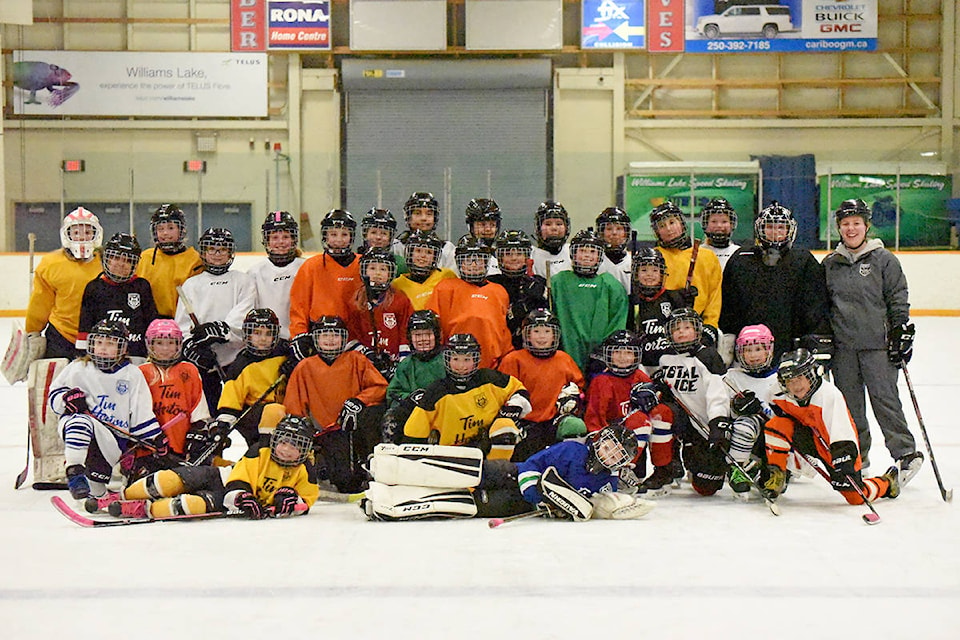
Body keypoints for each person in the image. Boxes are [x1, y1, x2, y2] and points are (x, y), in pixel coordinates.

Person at [361, 423, 654, 522]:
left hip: (519, 504)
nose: (609, 455)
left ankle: (387, 504)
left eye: (618, 454)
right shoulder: (573, 451)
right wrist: (534, 492)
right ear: (600, 441)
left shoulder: (609, 482)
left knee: (466, 505)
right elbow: (532, 465)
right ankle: (390, 466)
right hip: (513, 475)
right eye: (609, 446)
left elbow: (591, 506)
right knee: (466, 470)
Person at [823, 198, 922, 479]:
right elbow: (824, 304)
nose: (851, 229)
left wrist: (900, 330)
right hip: (843, 349)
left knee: (886, 401)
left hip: (877, 347)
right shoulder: (831, 263)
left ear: (866, 226)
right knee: (850, 408)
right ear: (839, 228)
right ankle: (858, 457)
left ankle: (905, 453)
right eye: (845, 224)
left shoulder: (884, 260)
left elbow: (897, 297)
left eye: (856, 223)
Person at [106, 414, 319, 520]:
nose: (286, 450)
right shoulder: (259, 451)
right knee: (168, 480)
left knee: (189, 506)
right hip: (220, 478)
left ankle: (141, 510)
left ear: (306, 449)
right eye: (283, 441)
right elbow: (239, 480)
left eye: (295, 445)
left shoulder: (306, 471)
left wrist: (292, 501)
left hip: (224, 502)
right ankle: (120, 497)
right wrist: (241, 496)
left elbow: (306, 502)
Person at [761, 349, 900, 505]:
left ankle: (887, 483)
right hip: (807, 436)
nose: (795, 385)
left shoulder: (829, 395)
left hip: (832, 446)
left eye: (800, 378)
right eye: (790, 381)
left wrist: (844, 460)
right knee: (776, 425)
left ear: (811, 375)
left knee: (855, 497)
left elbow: (842, 433)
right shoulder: (777, 393)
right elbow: (773, 413)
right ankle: (776, 476)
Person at [48, 319, 162, 500]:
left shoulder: (132, 373)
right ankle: (74, 472)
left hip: (112, 439)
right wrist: (66, 399)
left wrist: (154, 438)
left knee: (95, 492)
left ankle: (99, 495)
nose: (102, 348)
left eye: (110, 343)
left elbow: (141, 411)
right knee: (79, 421)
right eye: (99, 342)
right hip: (78, 428)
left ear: (123, 348)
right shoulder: (78, 368)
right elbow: (54, 395)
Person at [283, 316, 387, 493]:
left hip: (355, 430)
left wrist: (359, 401)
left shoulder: (356, 359)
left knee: (374, 418)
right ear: (316, 338)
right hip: (325, 434)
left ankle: (373, 466)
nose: (330, 340)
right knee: (345, 482)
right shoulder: (305, 367)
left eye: (335, 335)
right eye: (325, 335)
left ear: (344, 338)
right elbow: (294, 407)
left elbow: (379, 387)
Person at [720, 201, 832, 362]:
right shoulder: (741, 259)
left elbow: (815, 305)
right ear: (760, 228)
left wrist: (814, 341)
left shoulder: (803, 260)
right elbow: (729, 304)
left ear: (790, 229)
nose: (775, 232)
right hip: (749, 347)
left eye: (781, 227)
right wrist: (729, 339)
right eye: (770, 227)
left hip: (791, 345)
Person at [402, 333, 531, 461]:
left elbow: (519, 390)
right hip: (449, 458)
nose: (461, 366)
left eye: (467, 359)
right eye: (456, 359)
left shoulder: (490, 379)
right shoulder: (436, 391)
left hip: (487, 457)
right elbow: (414, 432)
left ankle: (496, 471)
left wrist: (514, 406)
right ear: (447, 359)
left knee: (506, 426)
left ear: (475, 360)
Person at [176, 227, 257, 414]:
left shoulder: (243, 280)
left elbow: (245, 311)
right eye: (212, 249)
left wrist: (222, 330)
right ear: (203, 252)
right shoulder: (192, 284)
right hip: (206, 361)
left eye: (223, 249)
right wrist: (191, 348)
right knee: (209, 412)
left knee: (241, 414)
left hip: (236, 358)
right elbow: (182, 324)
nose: (217, 254)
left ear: (230, 252)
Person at [583, 330, 675, 494]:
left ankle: (662, 469)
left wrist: (657, 392)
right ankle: (621, 471)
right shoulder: (602, 381)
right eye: (617, 352)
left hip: (634, 438)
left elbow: (654, 408)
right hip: (609, 442)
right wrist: (600, 446)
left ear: (637, 355)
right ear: (608, 355)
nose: (623, 357)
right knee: (640, 419)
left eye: (628, 352)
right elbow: (594, 419)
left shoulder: (640, 376)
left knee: (662, 412)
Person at [653, 307, 729, 496]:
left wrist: (718, 421)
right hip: (683, 421)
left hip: (706, 425)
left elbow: (717, 392)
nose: (681, 332)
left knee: (705, 488)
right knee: (661, 413)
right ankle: (665, 467)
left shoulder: (708, 356)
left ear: (697, 331)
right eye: (676, 329)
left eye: (687, 327)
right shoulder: (665, 358)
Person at [497, 309, 585, 460]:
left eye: (547, 331)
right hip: (523, 423)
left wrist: (573, 398)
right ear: (527, 335)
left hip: (554, 421)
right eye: (536, 331)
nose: (542, 336)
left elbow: (579, 387)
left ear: (554, 335)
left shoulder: (564, 359)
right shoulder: (513, 360)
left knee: (575, 426)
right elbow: (500, 392)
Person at [25, 206, 104, 361]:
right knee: (55, 382)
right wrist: (33, 331)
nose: (82, 237)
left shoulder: (106, 262)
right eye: (76, 233)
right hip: (60, 335)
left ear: (96, 234)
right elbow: (41, 302)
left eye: (87, 232)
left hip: (100, 337)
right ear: (67, 235)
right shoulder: (51, 264)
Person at [426, 235, 513, 369]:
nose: (473, 265)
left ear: (486, 262)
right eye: (468, 260)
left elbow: (503, 332)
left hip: (491, 366)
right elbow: (433, 328)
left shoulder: (499, 291)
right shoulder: (444, 288)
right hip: (454, 365)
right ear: (459, 263)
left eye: (478, 260)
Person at [208, 308, 290, 449]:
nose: (263, 339)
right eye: (257, 333)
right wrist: (222, 426)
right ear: (248, 335)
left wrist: (294, 362)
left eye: (268, 334)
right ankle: (264, 451)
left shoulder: (285, 351)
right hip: (254, 418)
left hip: (285, 412)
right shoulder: (240, 365)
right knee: (273, 411)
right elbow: (230, 402)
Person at [550, 229, 628, 372]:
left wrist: (604, 353)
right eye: (582, 251)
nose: (587, 255)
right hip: (564, 357)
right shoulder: (558, 282)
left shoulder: (612, 285)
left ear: (600, 256)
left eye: (592, 251)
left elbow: (617, 322)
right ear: (573, 254)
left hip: (600, 361)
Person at [77, 232, 158, 361]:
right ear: (107, 259)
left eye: (127, 260)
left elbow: (151, 322)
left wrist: (153, 352)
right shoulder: (94, 287)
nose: (121, 264)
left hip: (137, 355)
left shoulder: (142, 286)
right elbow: (85, 325)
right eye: (116, 258)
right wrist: (83, 355)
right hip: (102, 356)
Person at [138, 319, 209, 462]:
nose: (165, 348)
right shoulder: (140, 372)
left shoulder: (189, 370)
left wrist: (195, 436)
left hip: (181, 446)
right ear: (150, 344)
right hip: (149, 447)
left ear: (178, 344)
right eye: (159, 343)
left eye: (170, 343)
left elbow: (199, 411)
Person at [650, 201, 722, 339]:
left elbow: (714, 296)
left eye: (672, 222)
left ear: (682, 223)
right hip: (663, 328)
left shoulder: (707, 256)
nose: (669, 229)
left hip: (699, 327)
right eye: (662, 226)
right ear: (656, 232)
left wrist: (710, 325)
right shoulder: (653, 257)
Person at [721, 324, 779, 494]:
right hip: (742, 437)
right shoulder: (731, 378)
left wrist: (763, 410)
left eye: (758, 349)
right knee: (745, 423)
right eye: (748, 350)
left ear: (768, 350)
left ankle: (774, 469)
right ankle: (737, 468)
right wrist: (736, 408)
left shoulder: (780, 378)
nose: (753, 355)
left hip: (771, 439)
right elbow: (723, 410)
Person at [344, 246, 414, 379]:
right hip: (363, 366)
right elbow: (351, 335)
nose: (377, 273)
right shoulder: (355, 302)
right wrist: (365, 354)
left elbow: (407, 332)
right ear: (364, 271)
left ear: (391, 272)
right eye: (372, 268)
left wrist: (402, 363)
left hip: (394, 365)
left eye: (383, 269)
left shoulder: (400, 300)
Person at [381, 309, 447, 444]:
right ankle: (392, 457)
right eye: (417, 335)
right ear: (410, 338)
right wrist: (409, 398)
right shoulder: (406, 364)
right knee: (391, 418)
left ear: (437, 336)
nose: (423, 339)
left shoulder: (448, 360)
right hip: (412, 413)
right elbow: (392, 393)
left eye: (427, 334)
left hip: (443, 413)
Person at [626, 246, 693, 369]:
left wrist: (689, 305)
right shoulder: (631, 301)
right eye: (644, 270)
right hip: (641, 366)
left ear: (662, 273)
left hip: (673, 365)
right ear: (636, 274)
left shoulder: (674, 298)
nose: (649, 275)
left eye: (655, 270)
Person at [136, 204, 203, 319]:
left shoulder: (195, 260)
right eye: (160, 229)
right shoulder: (145, 258)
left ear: (181, 230)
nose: (165, 233)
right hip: (150, 323)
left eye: (171, 228)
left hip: (183, 323)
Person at [247, 211, 305, 340]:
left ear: (294, 239)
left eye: (286, 237)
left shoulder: (305, 268)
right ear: (266, 241)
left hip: (300, 339)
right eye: (275, 238)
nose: (281, 242)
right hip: (267, 341)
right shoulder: (255, 272)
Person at [487, 229, 548, 349]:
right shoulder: (491, 283)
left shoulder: (537, 282)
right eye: (508, 254)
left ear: (526, 257)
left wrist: (538, 299)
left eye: (519, 253)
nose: (514, 258)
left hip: (531, 347)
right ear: (500, 258)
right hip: (498, 343)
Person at [391, 229, 458, 311]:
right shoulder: (397, 284)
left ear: (435, 257)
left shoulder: (446, 275)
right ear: (410, 253)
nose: (423, 256)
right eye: (418, 251)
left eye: (429, 252)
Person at [392, 192, 456, 271]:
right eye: (418, 213)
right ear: (408, 217)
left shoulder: (447, 249)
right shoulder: (396, 247)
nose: (423, 218)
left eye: (429, 214)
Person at [530, 200, 572, 279]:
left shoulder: (573, 252)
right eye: (548, 224)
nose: (554, 228)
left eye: (559, 224)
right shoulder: (531, 255)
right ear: (538, 228)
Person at [595, 206, 633, 292]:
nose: (614, 233)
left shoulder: (632, 262)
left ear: (626, 233)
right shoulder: (595, 262)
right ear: (601, 233)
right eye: (609, 229)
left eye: (619, 228)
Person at [359, 207, 407, 273]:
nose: (378, 237)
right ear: (365, 235)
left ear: (390, 237)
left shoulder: (400, 264)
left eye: (384, 233)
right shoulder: (357, 261)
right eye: (373, 232)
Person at [699, 198, 740, 271]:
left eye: (724, 221)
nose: (719, 225)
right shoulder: (697, 252)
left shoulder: (738, 252)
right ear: (706, 224)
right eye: (714, 221)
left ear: (731, 224)